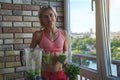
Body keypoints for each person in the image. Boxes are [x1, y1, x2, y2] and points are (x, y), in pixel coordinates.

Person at [29, 5, 68, 80]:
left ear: (55, 15)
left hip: (60, 73)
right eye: (45, 17)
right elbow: (30, 53)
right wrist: (39, 56)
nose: (49, 19)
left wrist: (65, 59)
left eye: (51, 15)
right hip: (44, 74)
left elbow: (66, 51)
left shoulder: (64, 34)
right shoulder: (38, 34)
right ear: (41, 19)